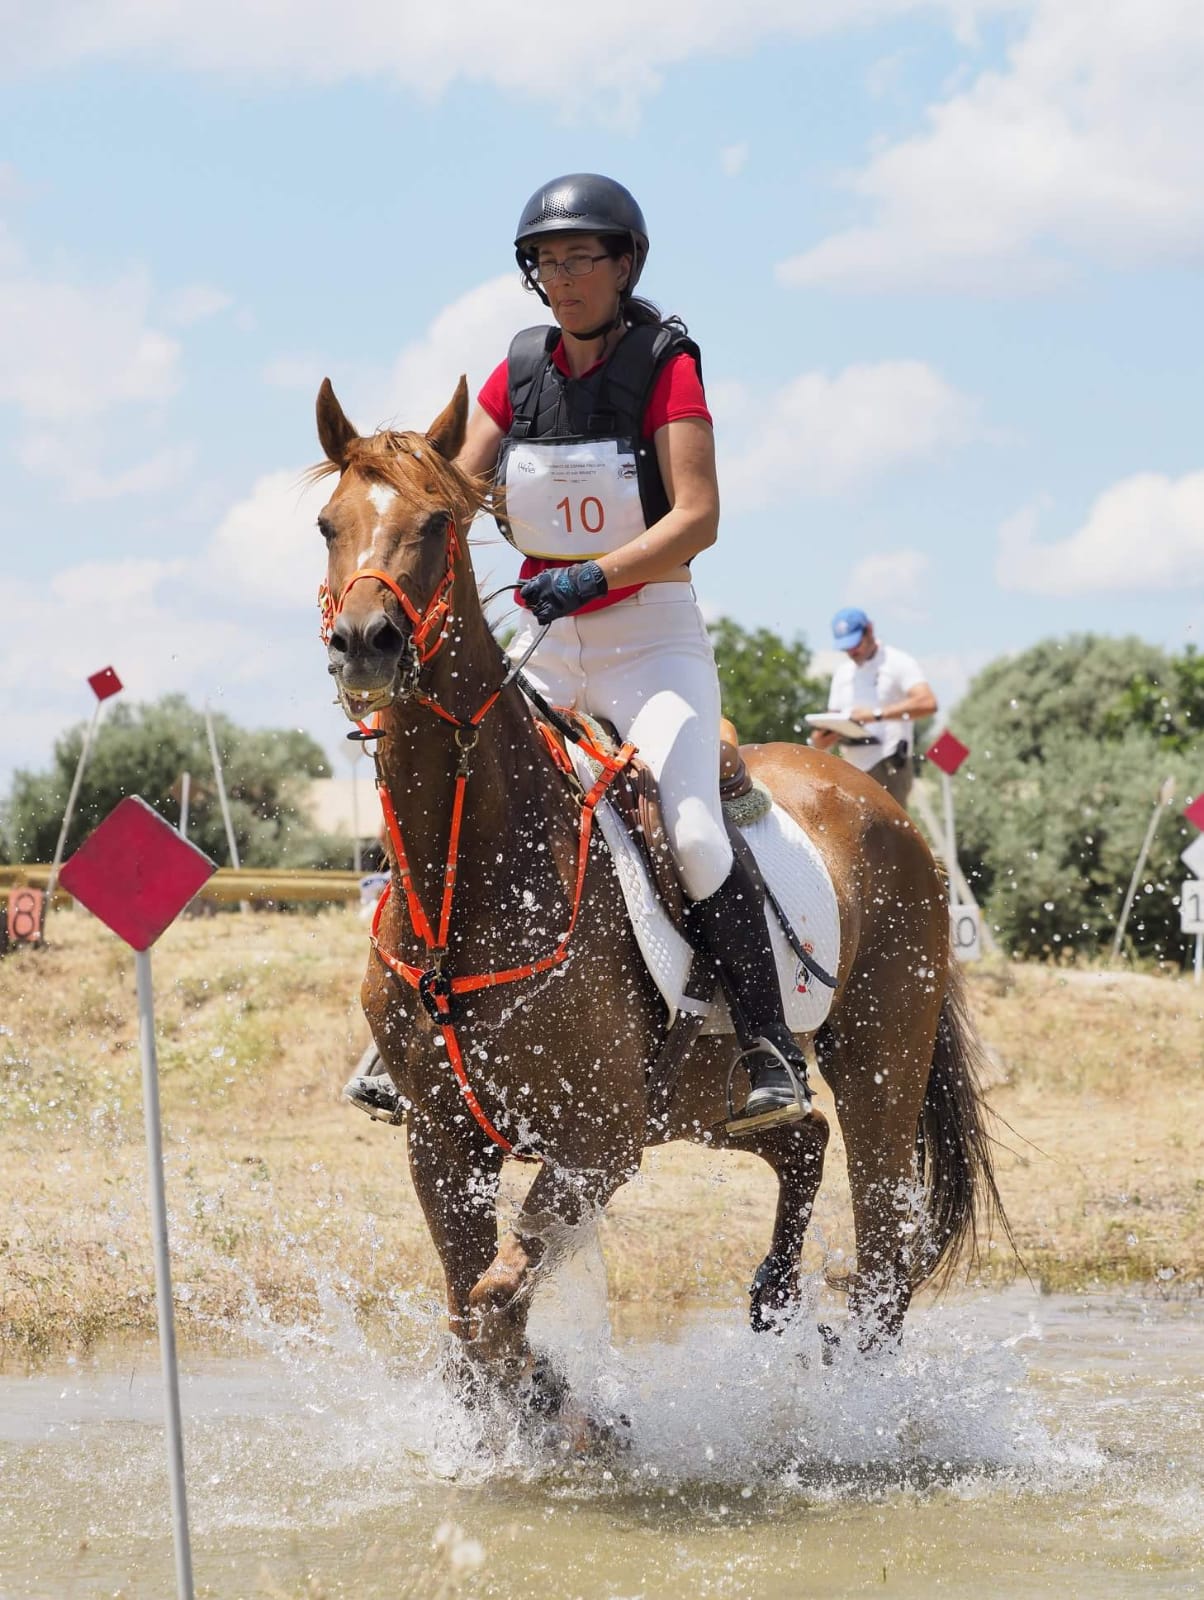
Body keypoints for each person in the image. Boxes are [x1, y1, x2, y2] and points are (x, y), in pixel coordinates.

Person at [345, 173, 811, 1133]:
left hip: (652, 638)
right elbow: (448, 494)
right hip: (546, 638)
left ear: (625, 263)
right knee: (459, 795)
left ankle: (769, 1047)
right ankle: (409, 1022)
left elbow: (698, 517)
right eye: (546, 263)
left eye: (579, 259)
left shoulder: (667, 364)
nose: (561, 278)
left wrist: (593, 576)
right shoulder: (516, 373)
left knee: (691, 828)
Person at [808, 607, 937, 809]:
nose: (852, 652)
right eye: (846, 648)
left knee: (887, 829)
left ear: (869, 630)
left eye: (855, 644)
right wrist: (819, 740)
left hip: (888, 765)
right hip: (851, 770)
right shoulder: (842, 673)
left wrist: (875, 715)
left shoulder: (898, 662)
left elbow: (927, 703)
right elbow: (833, 719)